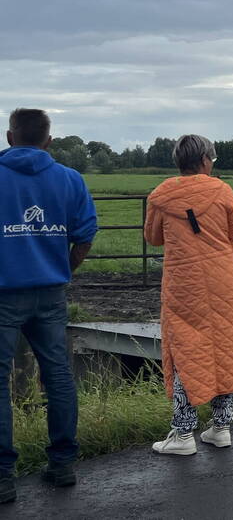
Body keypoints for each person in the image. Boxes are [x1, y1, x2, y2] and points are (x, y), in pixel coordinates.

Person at [0, 109, 97, 501]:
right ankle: (61, 464)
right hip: (52, 292)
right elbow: (85, 233)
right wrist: (64, 268)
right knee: (57, 375)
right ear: (49, 140)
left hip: (4, 292)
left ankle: (3, 477)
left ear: (9, 136)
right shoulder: (69, 179)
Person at [144, 135, 233, 455]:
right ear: (206, 160)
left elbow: (153, 238)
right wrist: (227, 269)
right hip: (222, 280)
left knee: (185, 350)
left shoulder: (161, 195)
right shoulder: (222, 191)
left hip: (183, 284)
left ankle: (182, 434)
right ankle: (221, 428)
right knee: (226, 346)